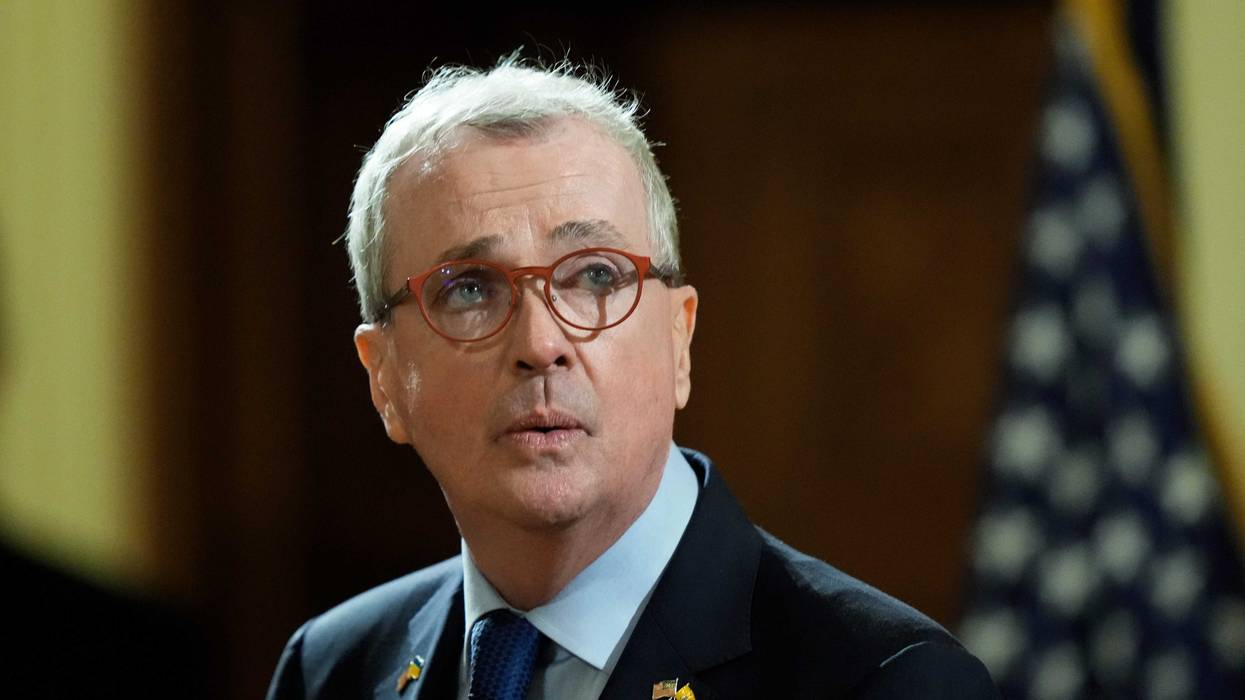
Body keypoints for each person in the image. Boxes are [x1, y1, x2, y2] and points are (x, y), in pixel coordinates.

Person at [267, 56, 998, 700]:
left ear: (679, 339)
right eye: (469, 289)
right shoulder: (331, 671)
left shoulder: (885, 679)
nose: (541, 343)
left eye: (593, 275)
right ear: (385, 378)